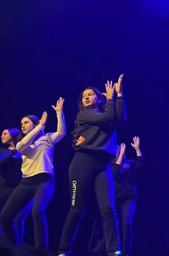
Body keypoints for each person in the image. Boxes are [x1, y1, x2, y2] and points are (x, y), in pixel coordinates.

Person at [57, 75, 127, 256]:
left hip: (103, 165)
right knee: (77, 209)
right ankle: (63, 251)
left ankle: (114, 251)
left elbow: (120, 118)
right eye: (83, 96)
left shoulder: (107, 113)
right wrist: (110, 99)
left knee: (108, 209)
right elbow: (106, 120)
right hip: (83, 162)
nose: (86, 97)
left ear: (98, 98)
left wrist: (119, 95)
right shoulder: (84, 115)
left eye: (90, 94)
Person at [0, 97, 66, 250]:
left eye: (26, 122)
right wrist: (40, 125)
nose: (23, 125)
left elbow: (61, 132)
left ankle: (41, 251)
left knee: (37, 211)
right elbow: (21, 146)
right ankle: (14, 249)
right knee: (5, 217)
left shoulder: (47, 138)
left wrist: (59, 113)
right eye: (21, 123)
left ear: (35, 124)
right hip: (26, 183)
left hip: (44, 181)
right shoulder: (22, 143)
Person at [0, 127, 28, 245]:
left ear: (13, 135)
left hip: (17, 189)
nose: (1, 136)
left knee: (16, 220)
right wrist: (14, 151)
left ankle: (15, 248)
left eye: (5, 133)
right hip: (1, 189)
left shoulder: (24, 152)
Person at [113, 136, 144, 256]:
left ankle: (126, 253)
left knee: (126, 223)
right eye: (116, 149)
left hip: (129, 197)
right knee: (114, 225)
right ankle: (116, 250)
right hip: (115, 198)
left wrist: (137, 149)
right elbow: (115, 173)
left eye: (119, 148)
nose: (118, 149)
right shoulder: (110, 165)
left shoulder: (129, 163)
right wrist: (120, 155)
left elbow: (142, 165)